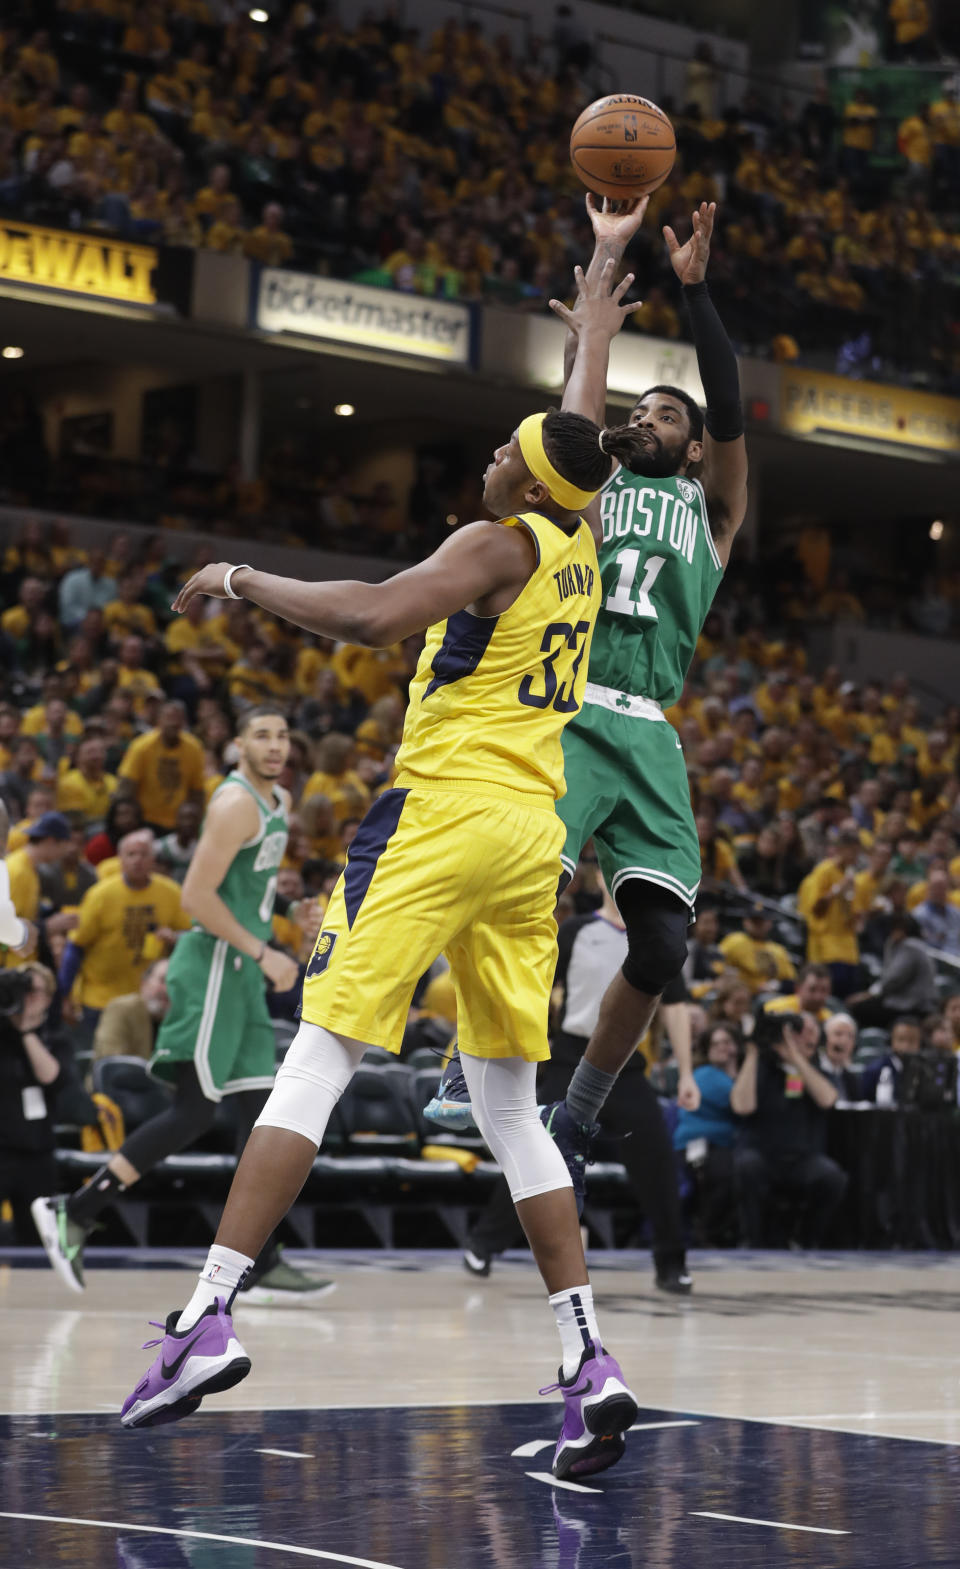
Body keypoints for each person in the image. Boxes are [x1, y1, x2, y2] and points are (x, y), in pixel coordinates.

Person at [119, 384, 648, 1482]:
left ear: (530, 486)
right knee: (510, 1107)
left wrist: (238, 576)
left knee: (316, 1058)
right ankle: (587, 1357)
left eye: (510, 448)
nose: (493, 451)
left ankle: (205, 1319)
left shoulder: (495, 543)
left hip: (439, 818)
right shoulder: (579, 538)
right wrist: (595, 307)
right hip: (529, 838)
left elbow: (368, 614)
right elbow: (579, 440)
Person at [432, 195, 750, 1221]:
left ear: (694, 449)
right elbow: (571, 424)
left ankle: (577, 1113)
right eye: (644, 410)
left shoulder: (715, 509)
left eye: (670, 415)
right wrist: (597, 346)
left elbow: (731, 403)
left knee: (660, 951)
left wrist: (695, 291)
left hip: (649, 732)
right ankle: (464, 1057)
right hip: (567, 713)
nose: (652, 419)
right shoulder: (593, 489)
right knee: (527, 888)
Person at [34, 708, 331, 1307]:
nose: (275, 747)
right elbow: (196, 896)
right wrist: (262, 948)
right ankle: (75, 1209)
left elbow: (245, 892)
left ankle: (260, 1261)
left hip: (243, 971)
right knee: (195, 1112)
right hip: (215, 968)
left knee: (260, 1117)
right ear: (237, 745)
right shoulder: (235, 804)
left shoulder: (280, 801)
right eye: (261, 736)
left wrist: (290, 930)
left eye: (281, 736)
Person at [459, 873, 695, 1293]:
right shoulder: (576, 930)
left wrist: (688, 1072)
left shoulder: (655, 935)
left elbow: (675, 1007)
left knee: (657, 1159)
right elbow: (542, 985)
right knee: (534, 1151)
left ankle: (671, 1263)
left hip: (627, 1065)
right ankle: (484, 1243)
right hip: (571, 1059)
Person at [55, 829, 190, 1041]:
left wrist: (175, 938)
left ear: (153, 859)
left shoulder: (170, 892)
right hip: (101, 999)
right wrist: (64, 995)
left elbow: (191, 934)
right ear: (120, 859)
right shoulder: (100, 895)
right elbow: (76, 946)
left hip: (149, 1000)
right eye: (131, 854)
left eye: (143, 854)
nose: (137, 860)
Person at [730, 1009, 847, 1247]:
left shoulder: (816, 1070)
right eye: (798, 1032)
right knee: (746, 1167)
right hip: (763, 1154)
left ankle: (806, 1240)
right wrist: (753, 1052)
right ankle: (753, 1241)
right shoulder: (761, 1067)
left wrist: (795, 1058)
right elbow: (742, 1106)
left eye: (810, 1032)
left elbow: (828, 1099)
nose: (802, 1038)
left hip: (803, 1159)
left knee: (832, 1177)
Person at [0, 965, 82, 1243]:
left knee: (38, 1239)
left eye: (35, 991)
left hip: (36, 1152)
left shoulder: (55, 1035)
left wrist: (26, 1032)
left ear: (49, 997)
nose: (27, 998)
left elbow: (51, 1077)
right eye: (23, 991)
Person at [673, 1022, 740, 1244]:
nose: (722, 1047)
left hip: (724, 1143)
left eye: (727, 1042)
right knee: (723, 1173)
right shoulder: (704, 1075)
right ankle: (707, 1234)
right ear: (706, 1049)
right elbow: (741, 1104)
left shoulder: (733, 1075)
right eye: (715, 1043)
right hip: (696, 1143)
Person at [116, 698, 205, 832]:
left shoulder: (194, 748)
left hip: (179, 822)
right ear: (159, 720)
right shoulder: (141, 746)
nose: (173, 722)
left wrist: (198, 820)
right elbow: (127, 784)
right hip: (145, 819)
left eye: (177, 718)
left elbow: (197, 791)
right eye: (169, 717)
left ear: (183, 722)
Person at [848, 913, 937, 1028]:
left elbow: (893, 980)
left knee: (860, 1008)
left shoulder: (910, 947)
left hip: (914, 1006)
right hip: (911, 1003)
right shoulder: (911, 945)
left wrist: (867, 995)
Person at [91, 957, 170, 1064]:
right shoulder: (121, 1009)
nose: (167, 990)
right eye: (162, 980)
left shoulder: (178, 1020)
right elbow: (112, 1061)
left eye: (173, 984)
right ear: (144, 983)